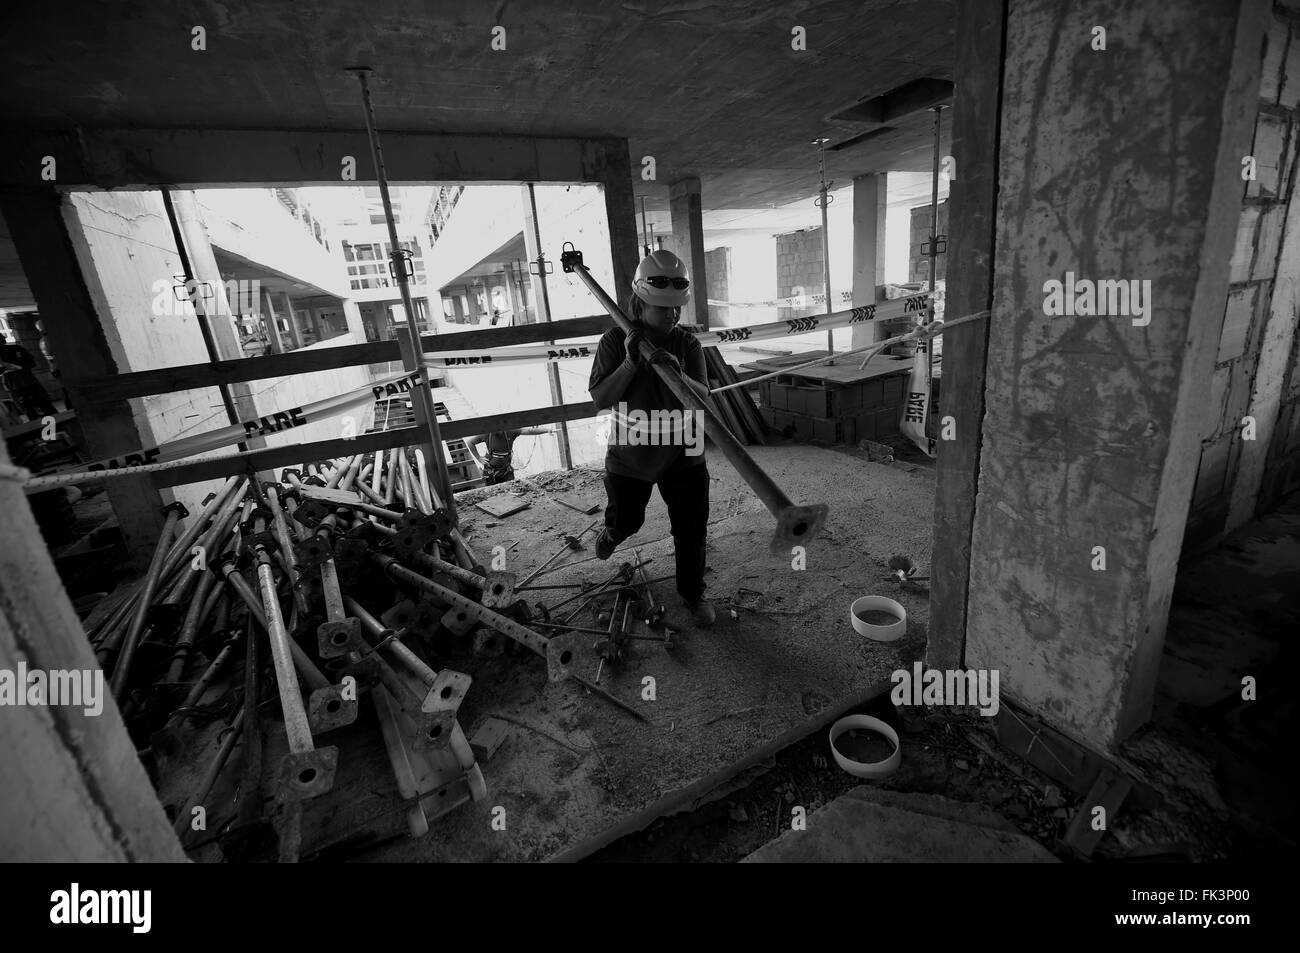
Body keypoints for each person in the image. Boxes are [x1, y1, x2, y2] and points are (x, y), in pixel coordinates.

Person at [588, 250, 715, 628]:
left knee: (691, 529)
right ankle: (612, 533)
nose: (673, 316)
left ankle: (692, 595)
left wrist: (678, 372)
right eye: (664, 309)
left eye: (677, 308)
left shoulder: (687, 344)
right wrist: (630, 363)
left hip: (684, 453)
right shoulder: (614, 340)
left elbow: (702, 395)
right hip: (631, 454)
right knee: (629, 520)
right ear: (641, 302)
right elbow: (600, 399)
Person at [0, 335, 57, 421]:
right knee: (29, 410)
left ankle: (58, 424)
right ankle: (41, 427)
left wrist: (19, 367)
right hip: (13, 385)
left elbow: (32, 363)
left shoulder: (16, 349)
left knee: (45, 405)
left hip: (28, 381)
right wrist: (5, 368)